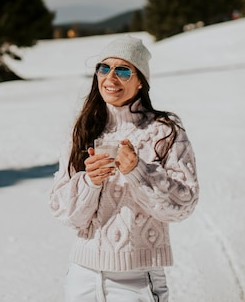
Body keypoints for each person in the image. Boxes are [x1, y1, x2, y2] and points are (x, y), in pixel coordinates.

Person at [49, 35, 199, 302]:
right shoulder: (82, 130)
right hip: (83, 276)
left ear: (140, 80)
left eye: (123, 70)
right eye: (104, 68)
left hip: (138, 277)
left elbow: (183, 205)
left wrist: (138, 171)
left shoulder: (164, 130)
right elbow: (66, 214)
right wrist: (90, 182)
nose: (111, 78)